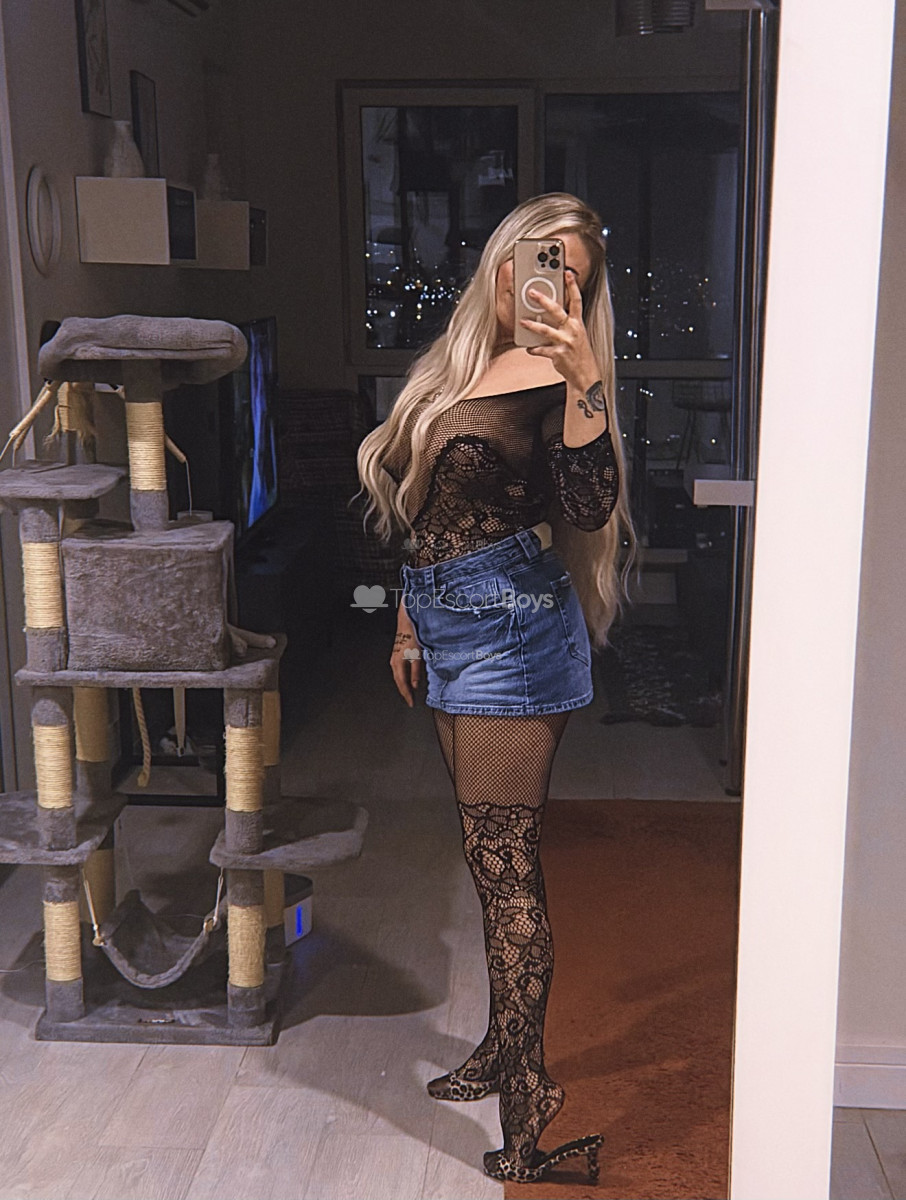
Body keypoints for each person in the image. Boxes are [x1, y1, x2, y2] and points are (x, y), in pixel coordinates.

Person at [355, 192, 637, 1183]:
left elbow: (588, 505)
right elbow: (427, 507)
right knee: (487, 865)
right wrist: (407, 622)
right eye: (540, 259)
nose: (551, 285)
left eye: (574, 277)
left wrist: (587, 375)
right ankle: (504, 1043)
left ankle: (528, 1113)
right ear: (505, 261)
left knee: (507, 871)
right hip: (446, 623)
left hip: (514, 636)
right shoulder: (462, 363)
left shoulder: (563, 382)